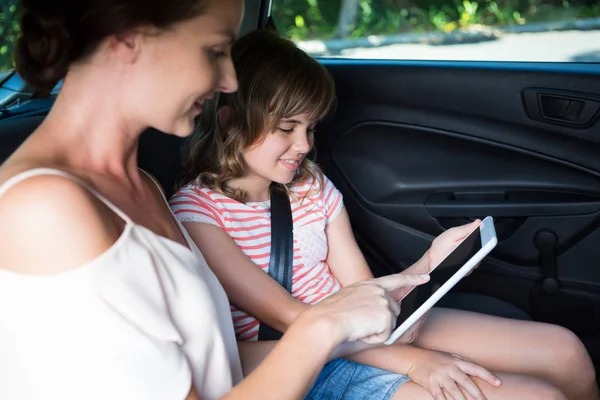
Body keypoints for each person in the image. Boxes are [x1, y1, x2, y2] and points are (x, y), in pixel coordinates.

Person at [0, 1, 435, 399]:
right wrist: (324, 326)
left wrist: (397, 357)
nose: (228, 80)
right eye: (214, 51)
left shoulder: (145, 187)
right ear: (130, 39)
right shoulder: (43, 210)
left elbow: (219, 364)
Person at [170, 28, 598, 400]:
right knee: (540, 396)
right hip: (295, 354)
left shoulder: (312, 187)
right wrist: (413, 362)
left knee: (565, 351)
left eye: (311, 127)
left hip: (365, 331)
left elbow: (364, 291)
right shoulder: (197, 214)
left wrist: (430, 266)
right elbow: (296, 321)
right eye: (286, 128)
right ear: (229, 122)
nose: (303, 144)